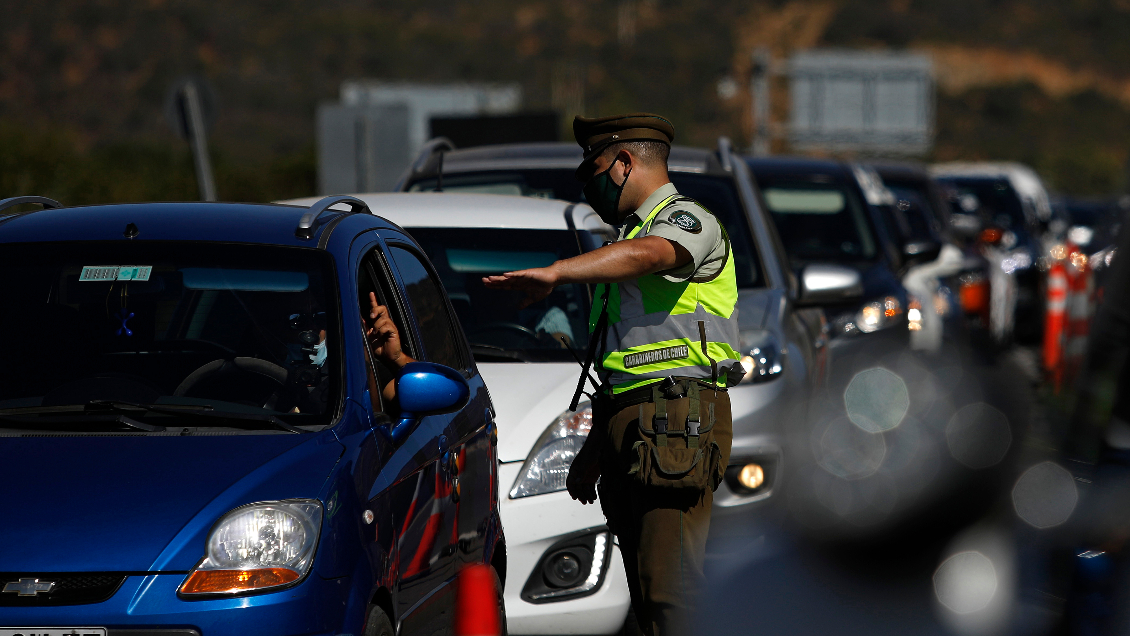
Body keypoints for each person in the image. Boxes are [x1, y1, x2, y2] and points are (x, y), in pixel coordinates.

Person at [483, 113, 741, 636]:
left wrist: (557, 272)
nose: (589, 184)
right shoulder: (628, 238)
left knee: (672, 592)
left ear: (624, 164)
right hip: (640, 420)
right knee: (648, 593)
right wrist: (596, 448)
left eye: (592, 170)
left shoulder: (684, 219)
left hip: (676, 419)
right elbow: (622, 364)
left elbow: (653, 255)